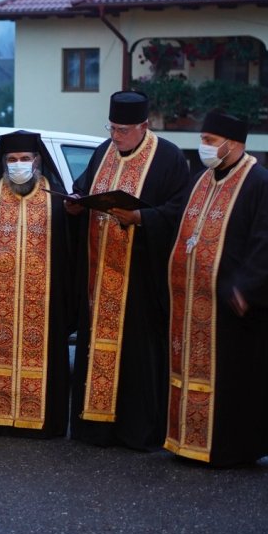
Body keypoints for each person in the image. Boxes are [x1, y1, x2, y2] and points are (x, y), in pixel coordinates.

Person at [163, 110, 268, 466]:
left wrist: (246, 287)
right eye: (202, 139)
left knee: (233, 379)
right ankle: (188, 440)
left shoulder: (261, 183)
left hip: (234, 305)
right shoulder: (201, 181)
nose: (203, 146)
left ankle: (228, 449)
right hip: (194, 301)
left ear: (233, 144)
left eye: (210, 140)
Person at [66, 90, 192, 450]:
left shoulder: (168, 157)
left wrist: (141, 217)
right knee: (95, 351)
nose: (116, 137)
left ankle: (136, 432)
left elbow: (180, 211)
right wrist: (75, 204)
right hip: (98, 275)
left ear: (144, 126)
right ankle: (96, 429)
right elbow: (82, 188)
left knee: (137, 356)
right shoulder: (102, 153)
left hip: (140, 281)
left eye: (123, 130)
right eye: (112, 128)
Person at [0, 130, 73, 438]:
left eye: (25, 158)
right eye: (12, 159)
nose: (18, 164)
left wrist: (67, 302)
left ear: (37, 161)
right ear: (3, 162)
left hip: (45, 306)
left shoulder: (55, 198)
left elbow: (70, 253)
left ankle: (42, 423)